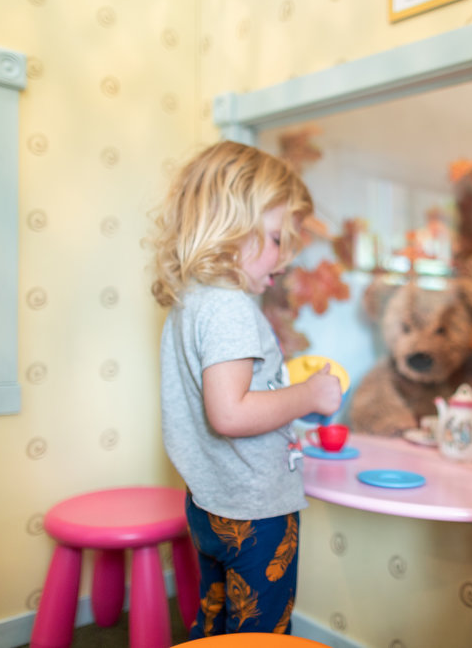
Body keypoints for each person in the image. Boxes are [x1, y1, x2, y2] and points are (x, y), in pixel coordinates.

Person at [148, 141, 343, 638]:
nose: (285, 256)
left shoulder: (192, 300)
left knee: (214, 621)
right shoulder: (231, 308)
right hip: (256, 512)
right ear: (229, 228)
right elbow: (230, 414)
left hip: (209, 502)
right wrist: (310, 395)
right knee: (260, 635)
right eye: (276, 238)